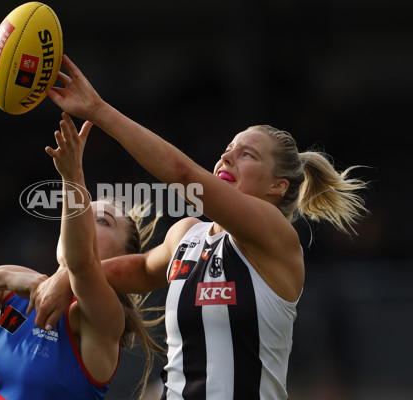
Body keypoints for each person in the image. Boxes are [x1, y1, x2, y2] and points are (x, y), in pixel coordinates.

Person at [32, 54, 370, 399]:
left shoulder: (275, 235)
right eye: (227, 150)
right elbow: (140, 267)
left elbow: (182, 173)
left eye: (247, 155)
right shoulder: (188, 233)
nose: (226, 158)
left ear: (277, 187)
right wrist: (66, 277)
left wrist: (98, 110)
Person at [0, 113, 164, 400]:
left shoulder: (105, 316)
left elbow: (82, 265)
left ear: (124, 258)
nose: (84, 221)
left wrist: (72, 176)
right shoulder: (19, 286)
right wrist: (2, 277)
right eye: (83, 215)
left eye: (102, 221)